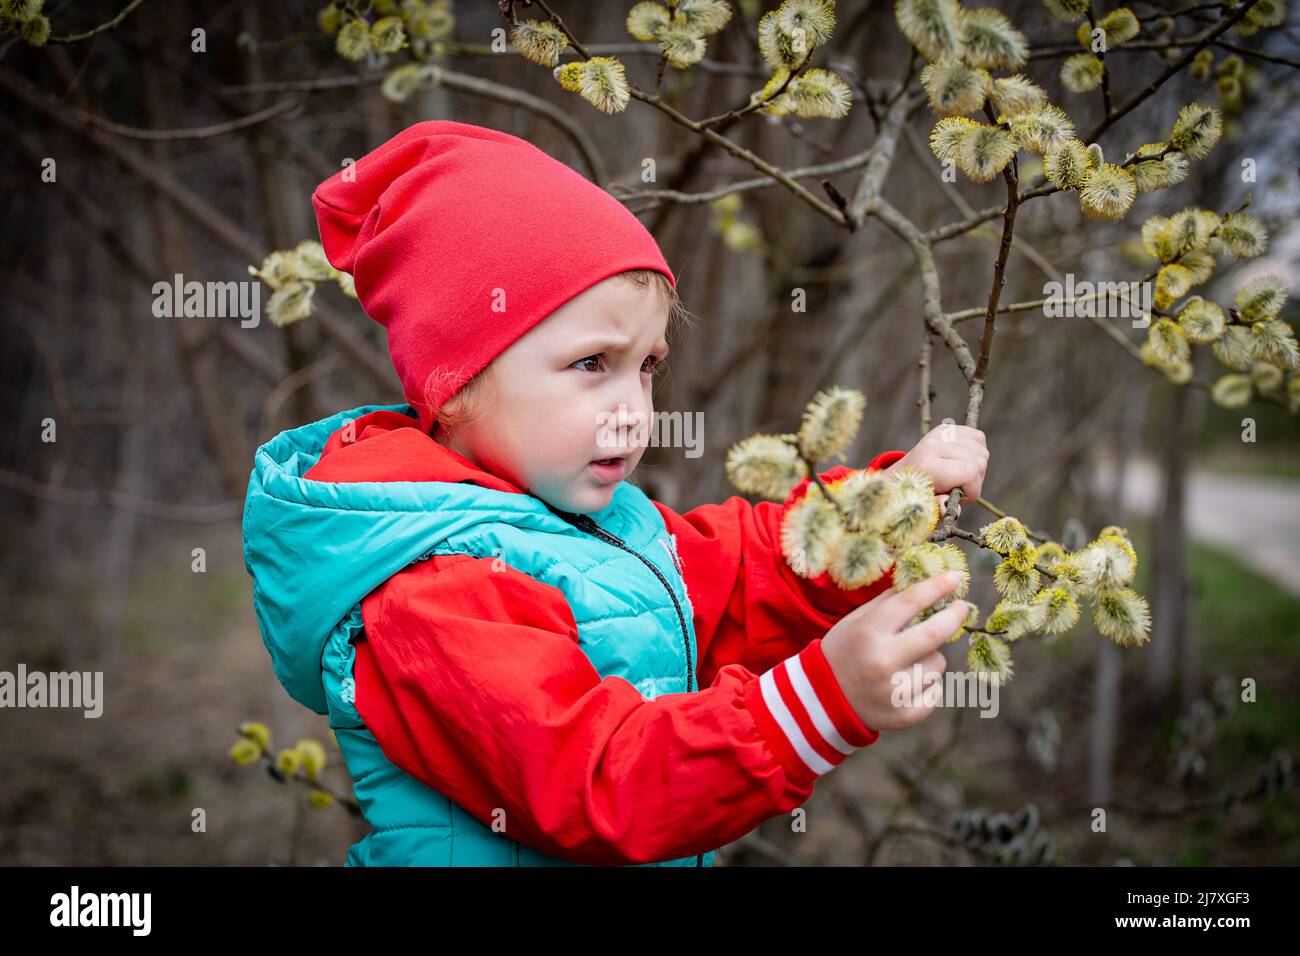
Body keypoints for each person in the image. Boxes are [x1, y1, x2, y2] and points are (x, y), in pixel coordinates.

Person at [242, 120, 989, 866]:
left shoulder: (602, 522)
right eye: (593, 363)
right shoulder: (432, 589)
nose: (634, 407)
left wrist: (888, 507)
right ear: (459, 381)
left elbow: (744, 574)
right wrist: (819, 704)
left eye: (648, 365)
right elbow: (598, 783)